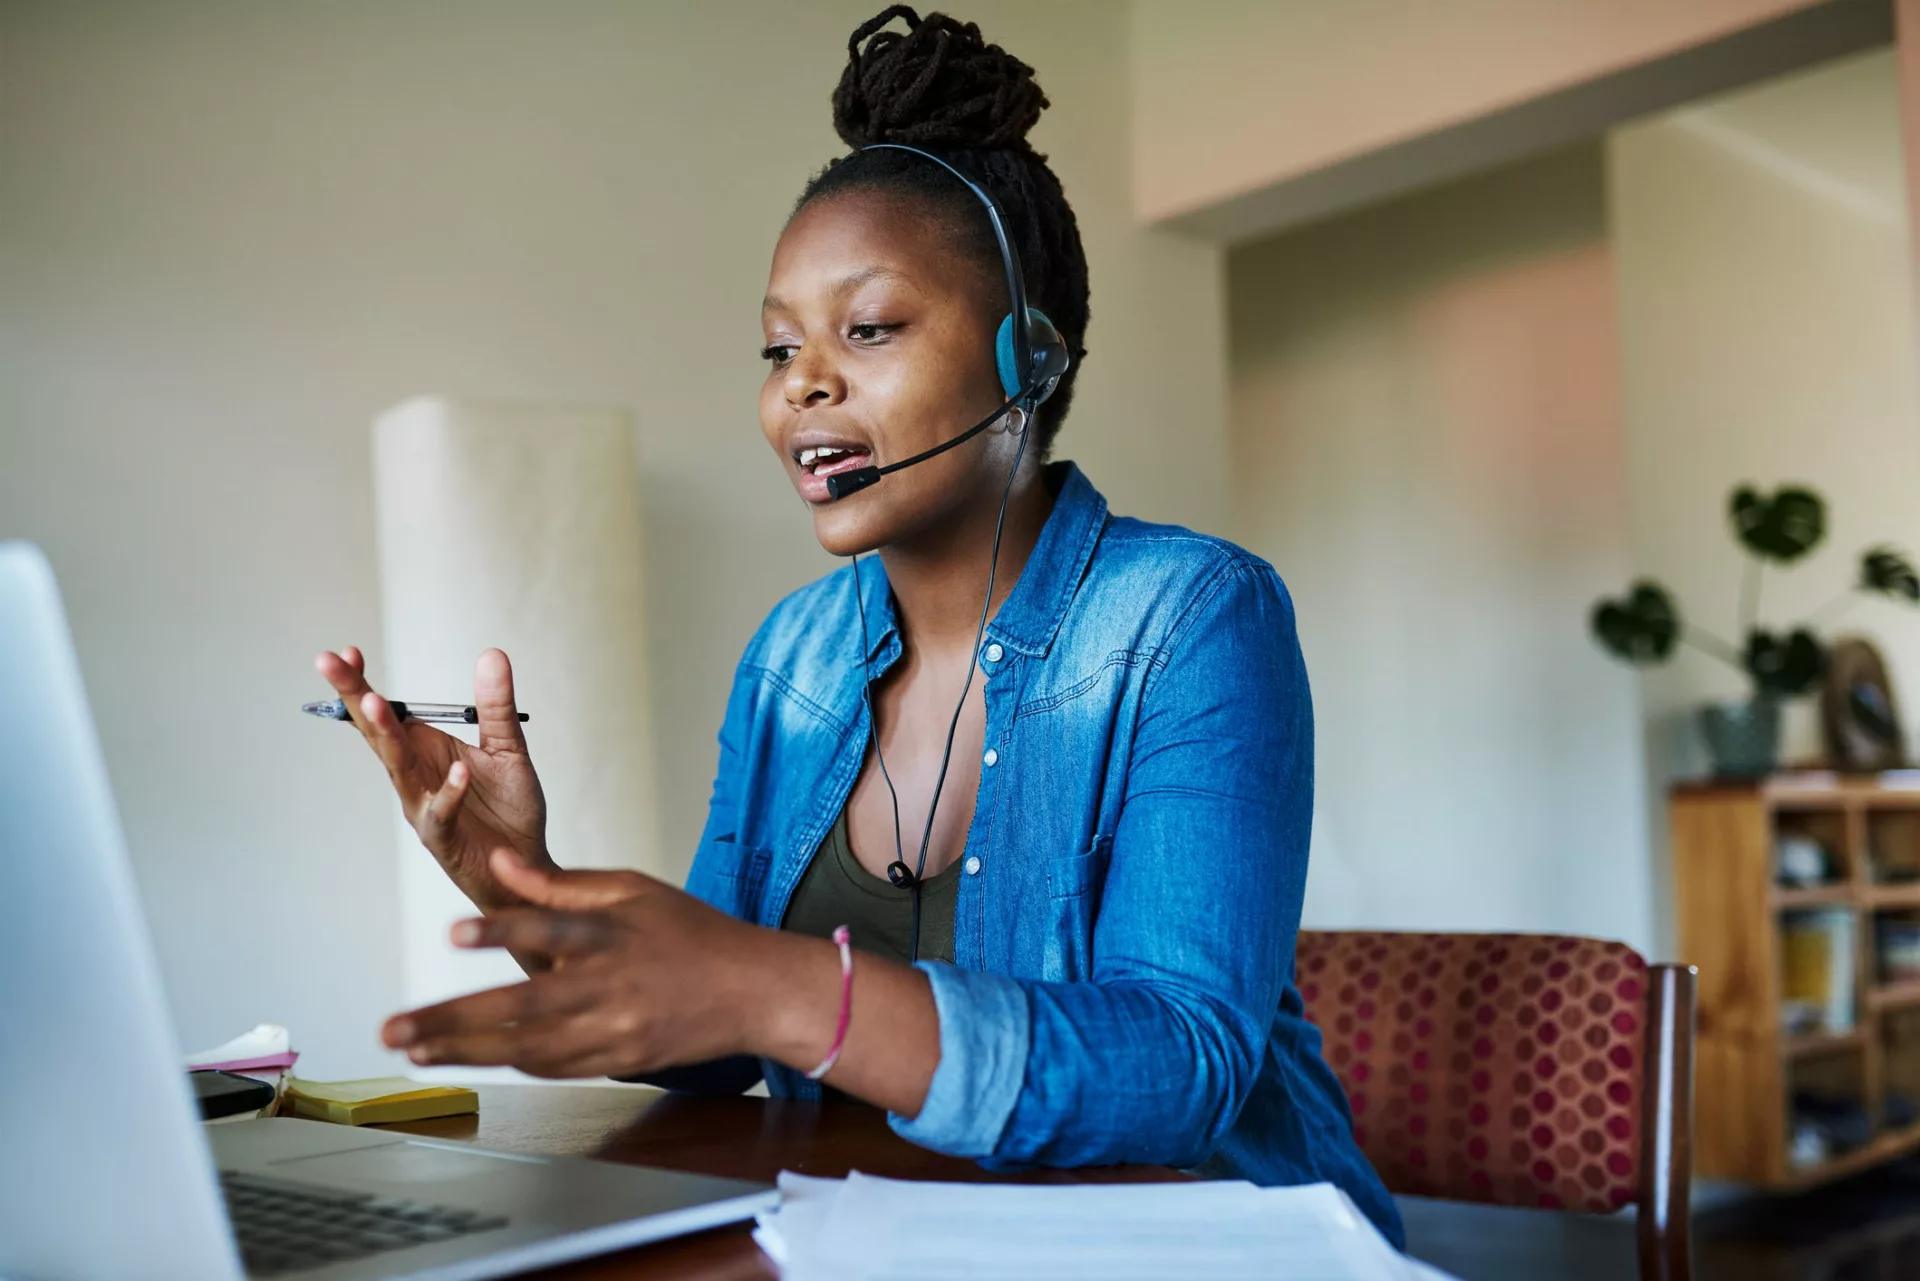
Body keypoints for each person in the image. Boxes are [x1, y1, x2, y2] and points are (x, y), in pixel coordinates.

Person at [313, 5, 1401, 1246]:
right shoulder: (793, 658)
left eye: (869, 329)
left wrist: (783, 989)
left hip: (1198, 1243)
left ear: (1029, 359)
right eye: (779, 346)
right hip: (894, 1237)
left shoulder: (1196, 617)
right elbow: (718, 1044)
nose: (802, 385)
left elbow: (1185, 1067)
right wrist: (532, 886)